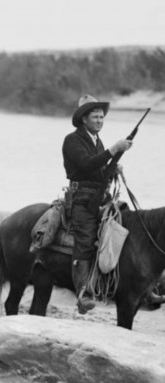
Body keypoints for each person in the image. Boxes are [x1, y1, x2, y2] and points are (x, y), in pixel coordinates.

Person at [62, 94, 133, 314]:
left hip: (99, 197)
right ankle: (83, 294)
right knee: (85, 239)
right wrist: (113, 151)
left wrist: (113, 168)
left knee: (126, 220)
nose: (100, 120)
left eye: (102, 117)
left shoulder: (96, 139)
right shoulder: (72, 140)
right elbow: (86, 166)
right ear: (84, 119)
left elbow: (99, 170)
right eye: (96, 117)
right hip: (82, 199)